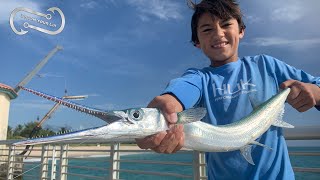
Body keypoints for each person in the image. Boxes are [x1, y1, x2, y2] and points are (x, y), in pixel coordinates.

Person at [136, 0, 320, 179]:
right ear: (197, 42)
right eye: (207, 29)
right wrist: (169, 101)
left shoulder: (267, 65)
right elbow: (182, 90)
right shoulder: (199, 78)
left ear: (241, 31)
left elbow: (317, 86)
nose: (218, 33)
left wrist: (313, 91)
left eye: (225, 24)